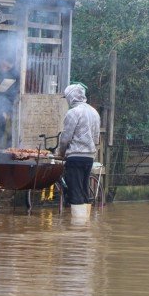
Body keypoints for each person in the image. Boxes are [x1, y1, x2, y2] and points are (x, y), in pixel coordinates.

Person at [57, 83, 101, 215]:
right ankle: (85, 227)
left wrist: (61, 153)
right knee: (83, 190)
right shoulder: (94, 112)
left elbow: (65, 137)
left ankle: (78, 230)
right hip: (89, 158)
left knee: (75, 192)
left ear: (71, 97)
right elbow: (96, 138)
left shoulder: (73, 112)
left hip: (75, 157)